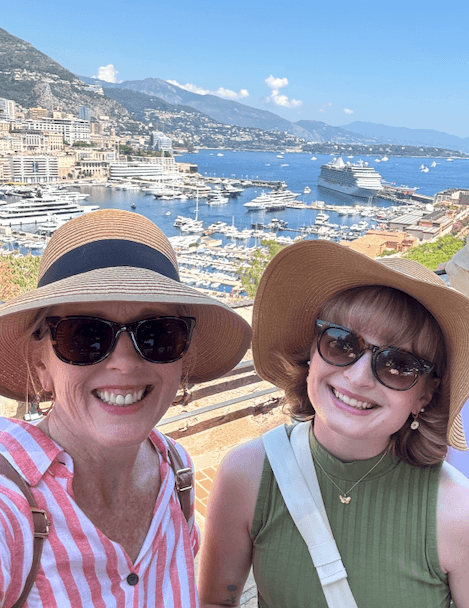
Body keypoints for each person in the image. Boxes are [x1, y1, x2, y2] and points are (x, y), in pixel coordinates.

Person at [0, 209, 251, 607]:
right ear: (40, 363)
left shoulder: (176, 472)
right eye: (85, 335)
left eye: (157, 334)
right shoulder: (10, 503)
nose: (124, 362)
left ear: (183, 359)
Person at [198, 240, 469, 608]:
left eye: (398, 364)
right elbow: (217, 601)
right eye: (342, 344)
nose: (358, 377)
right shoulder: (247, 474)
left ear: (425, 395)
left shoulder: (455, 511)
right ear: (312, 353)